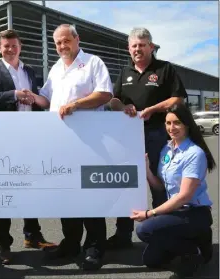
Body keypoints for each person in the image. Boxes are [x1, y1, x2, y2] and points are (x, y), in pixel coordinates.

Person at [28, 24, 113, 270]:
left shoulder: (93, 62)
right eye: (58, 43)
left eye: (66, 41)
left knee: (89, 194)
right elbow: (46, 99)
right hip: (61, 143)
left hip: (90, 143)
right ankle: (72, 242)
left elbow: (105, 94)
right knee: (66, 194)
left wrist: (76, 104)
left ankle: (95, 246)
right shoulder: (56, 68)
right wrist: (31, 97)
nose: (62, 46)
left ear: (77, 39)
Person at [0, 29, 55, 265]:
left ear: (20, 47)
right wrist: (14, 94)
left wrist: (32, 98)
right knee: (5, 189)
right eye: (5, 46)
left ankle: (32, 235)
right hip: (4, 139)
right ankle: (4, 243)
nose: (10, 49)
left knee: (30, 187)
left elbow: (42, 100)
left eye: (14, 45)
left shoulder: (31, 71)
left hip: (31, 137)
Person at [109, 27, 188, 249]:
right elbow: (113, 101)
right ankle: (122, 234)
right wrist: (124, 106)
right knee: (127, 184)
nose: (137, 49)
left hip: (158, 135)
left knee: (159, 183)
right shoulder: (124, 72)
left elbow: (178, 99)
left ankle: (161, 232)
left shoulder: (165, 70)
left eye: (142, 45)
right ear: (128, 49)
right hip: (129, 137)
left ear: (151, 47)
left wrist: (152, 108)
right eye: (133, 45)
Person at [131, 103, 215, 279]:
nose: (171, 127)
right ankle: (190, 242)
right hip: (176, 213)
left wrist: (150, 213)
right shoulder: (167, 149)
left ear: (186, 124)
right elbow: (160, 187)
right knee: (151, 260)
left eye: (176, 122)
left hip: (194, 213)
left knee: (144, 230)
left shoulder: (194, 153)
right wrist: (146, 170)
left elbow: (184, 196)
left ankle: (195, 249)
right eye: (168, 123)